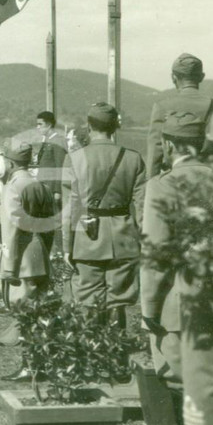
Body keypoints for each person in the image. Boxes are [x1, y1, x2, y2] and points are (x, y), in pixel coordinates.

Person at [140, 111, 211, 425]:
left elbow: (155, 258)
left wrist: (148, 308)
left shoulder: (163, 186)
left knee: (182, 382)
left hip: (179, 303)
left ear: (168, 145)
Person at [61, 102, 146, 328]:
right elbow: (142, 207)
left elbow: (70, 209)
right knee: (117, 303)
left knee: (87, 301)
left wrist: (67, 247)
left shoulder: (75, 158)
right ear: (114, 127)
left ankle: (93, 357)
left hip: (87, 237)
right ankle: (117, 358)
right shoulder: (133, 158)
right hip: (123, 238)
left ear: (89, 126)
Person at [0, 144, 56, 373]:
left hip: (20, 257)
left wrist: (9, 265)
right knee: (38, 310)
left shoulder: (14, 186)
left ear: (10, 163)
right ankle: (39, 362)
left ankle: (30, 366)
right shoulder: (39, 185)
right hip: (38, 251)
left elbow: (12, 228)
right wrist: (44, 251)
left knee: (25, 311)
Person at [145, 53, 213, 179]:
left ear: (173, 77)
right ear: (201, 77)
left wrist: (151, 185)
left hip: (173, 179)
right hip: (209, 179)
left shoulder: (161, 106)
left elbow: (155, 152)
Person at [33, 111, 68, 253]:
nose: (38, 127)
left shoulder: (58, 141)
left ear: (49, 124)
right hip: (44, 188)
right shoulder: (47, 141)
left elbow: (60, 167)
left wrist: (57, 191)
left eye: (40, 124)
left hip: (52, 190)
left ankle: (56, 254)